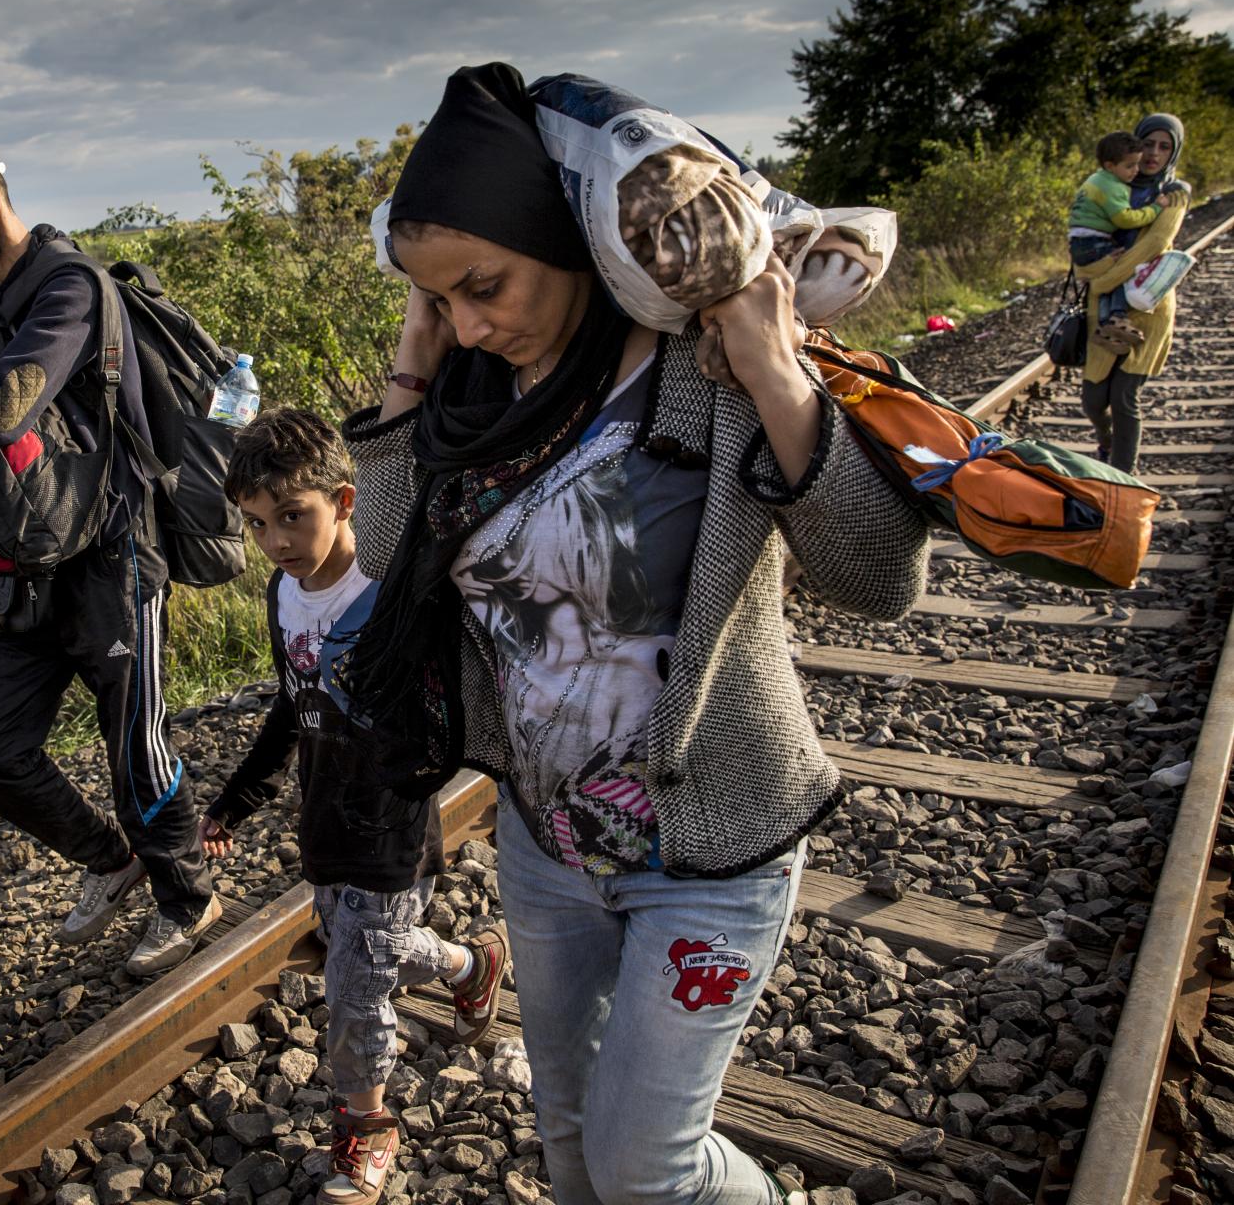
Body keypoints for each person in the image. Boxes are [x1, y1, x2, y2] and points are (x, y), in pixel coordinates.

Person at [339, 64, 930, 1205]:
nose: (468, 319)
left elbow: (874, 577)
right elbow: (379, 549)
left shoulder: (697, 373)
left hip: (707, 853)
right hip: (545, 851)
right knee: (565, 1149)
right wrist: (416, 356)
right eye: (437, 296)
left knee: (644, 1169)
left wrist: (771, 367)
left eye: (484, 285)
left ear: (562, 242)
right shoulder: (467, 392)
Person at [0, 131, 217, 975]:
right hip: (27, 558)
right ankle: (112, 860)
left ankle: (186, 896)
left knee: (135, 739)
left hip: (114, 553)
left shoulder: (71, 288)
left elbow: (0, 411)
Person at [198, 408, 510, 1205]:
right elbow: (289, 705)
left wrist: (418, 771)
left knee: (355, 990)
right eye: (258, 524)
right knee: (371, 950)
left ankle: (366, 1134)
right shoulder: (283, 594)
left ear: (343, 501)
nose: (276, 541)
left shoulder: (387, 591)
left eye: (292, 517)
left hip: (392, 824)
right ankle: (474, 965)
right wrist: (236, 800)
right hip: (325, 819)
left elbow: (453, 695)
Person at [1077, 114, 1191, 473]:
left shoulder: (1173, 195)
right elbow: (1084, 230)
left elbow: (1154, 244)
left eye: (1165, 147)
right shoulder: (1113, 185)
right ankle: (1106, 442)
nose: (1154, 154)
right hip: (1103, 306)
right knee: (1094, 399)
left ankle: (1122, 478)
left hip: (1147, 306)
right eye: (1148, 144)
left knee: (1124, 398)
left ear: (1174, 152)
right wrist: (1090, 269)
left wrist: (1104, 279)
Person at [1067, 131, 1162, 347]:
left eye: (1136, 165)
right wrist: (1155, 209)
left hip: (1079, 241)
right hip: (1093, 241)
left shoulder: (1095, 179)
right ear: (1110, 166)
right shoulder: (1112, 186)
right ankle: (1117, 316)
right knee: (1119, 273)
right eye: (1129, 166)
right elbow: (1124, 219)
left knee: (1105, 281)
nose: (1136, 171)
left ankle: (1104, 325)